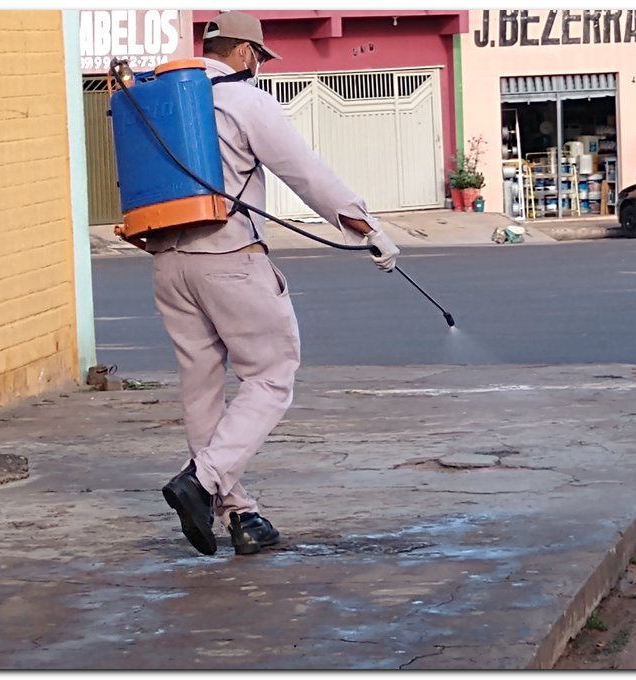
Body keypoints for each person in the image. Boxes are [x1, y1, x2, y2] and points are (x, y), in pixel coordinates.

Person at [150, 11, 400, 556]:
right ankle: (202, 481)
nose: (259, 68)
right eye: (259, 59)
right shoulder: (244, 99)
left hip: (168, 260)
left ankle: (240, 515)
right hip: (229, 256)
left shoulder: (157, 100)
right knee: (271, 374)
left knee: (201, 387)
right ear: (244, 53)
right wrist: (367, 229)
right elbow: (304, 171)